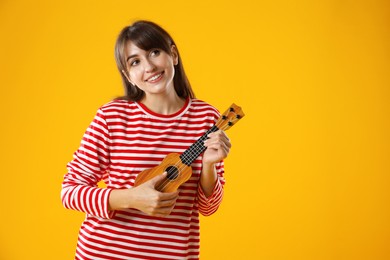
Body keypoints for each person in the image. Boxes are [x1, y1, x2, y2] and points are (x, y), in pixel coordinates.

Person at [61, 20, 231, 260]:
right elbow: (69, 192)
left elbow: (208, 207)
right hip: (103, 253)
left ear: (172, 54)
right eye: (135, 61)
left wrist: (209, 165)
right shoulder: (112, 116)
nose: (149, 66)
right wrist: (131, 198)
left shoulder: (206, 118)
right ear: (128, 75)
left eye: (154, 52)